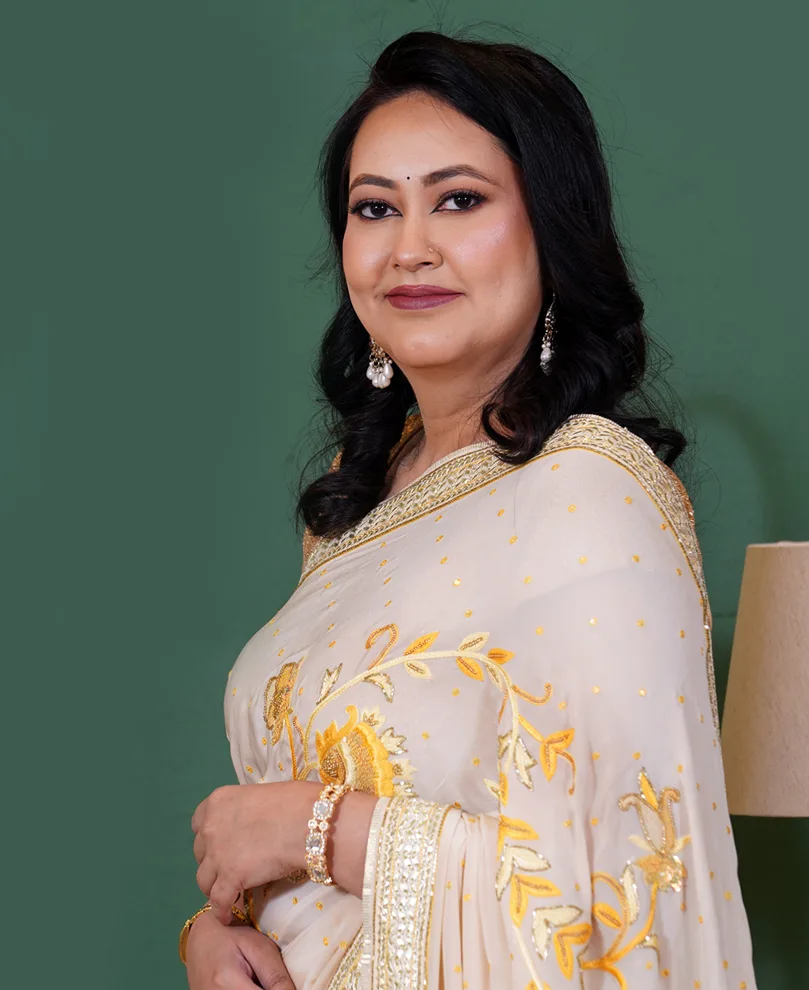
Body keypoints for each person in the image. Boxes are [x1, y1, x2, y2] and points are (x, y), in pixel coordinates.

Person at [182, 29, 756, 990]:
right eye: (375, 208)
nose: (410, 249)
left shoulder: (590, 495)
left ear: (551, 229)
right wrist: (215, 927)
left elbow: (618, 898)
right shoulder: (357, 501)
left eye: (459, 199)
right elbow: (308, 843)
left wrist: (313, 828)